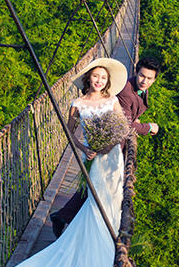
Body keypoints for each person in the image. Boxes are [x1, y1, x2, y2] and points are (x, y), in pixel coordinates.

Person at [0, 58, 129, 267]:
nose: (99, 80)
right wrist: (86, 149)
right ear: (88, 79)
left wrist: (108, 144)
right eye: (95, 76)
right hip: (97, 161)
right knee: (96, 202)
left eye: (103, 77)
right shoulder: (77, 105)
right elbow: (70, 134)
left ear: (107, 80)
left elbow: (120, 130)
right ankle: (103, 253)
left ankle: (113, 245)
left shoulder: (112, 101)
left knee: (114, 200)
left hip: (114, 158)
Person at [50, 56, 161, 237]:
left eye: (149, 78)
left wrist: (133, 120)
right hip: (99, 150)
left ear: (154, 79)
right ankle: (88, 230)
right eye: (142, 76)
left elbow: (124, 120)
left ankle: (67, 218)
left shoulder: (121, 95)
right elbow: (125, 124)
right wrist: (148, 128)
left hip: (114, 151)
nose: (145, 81)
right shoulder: (123, 92)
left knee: (105, 192)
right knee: (97, 191)